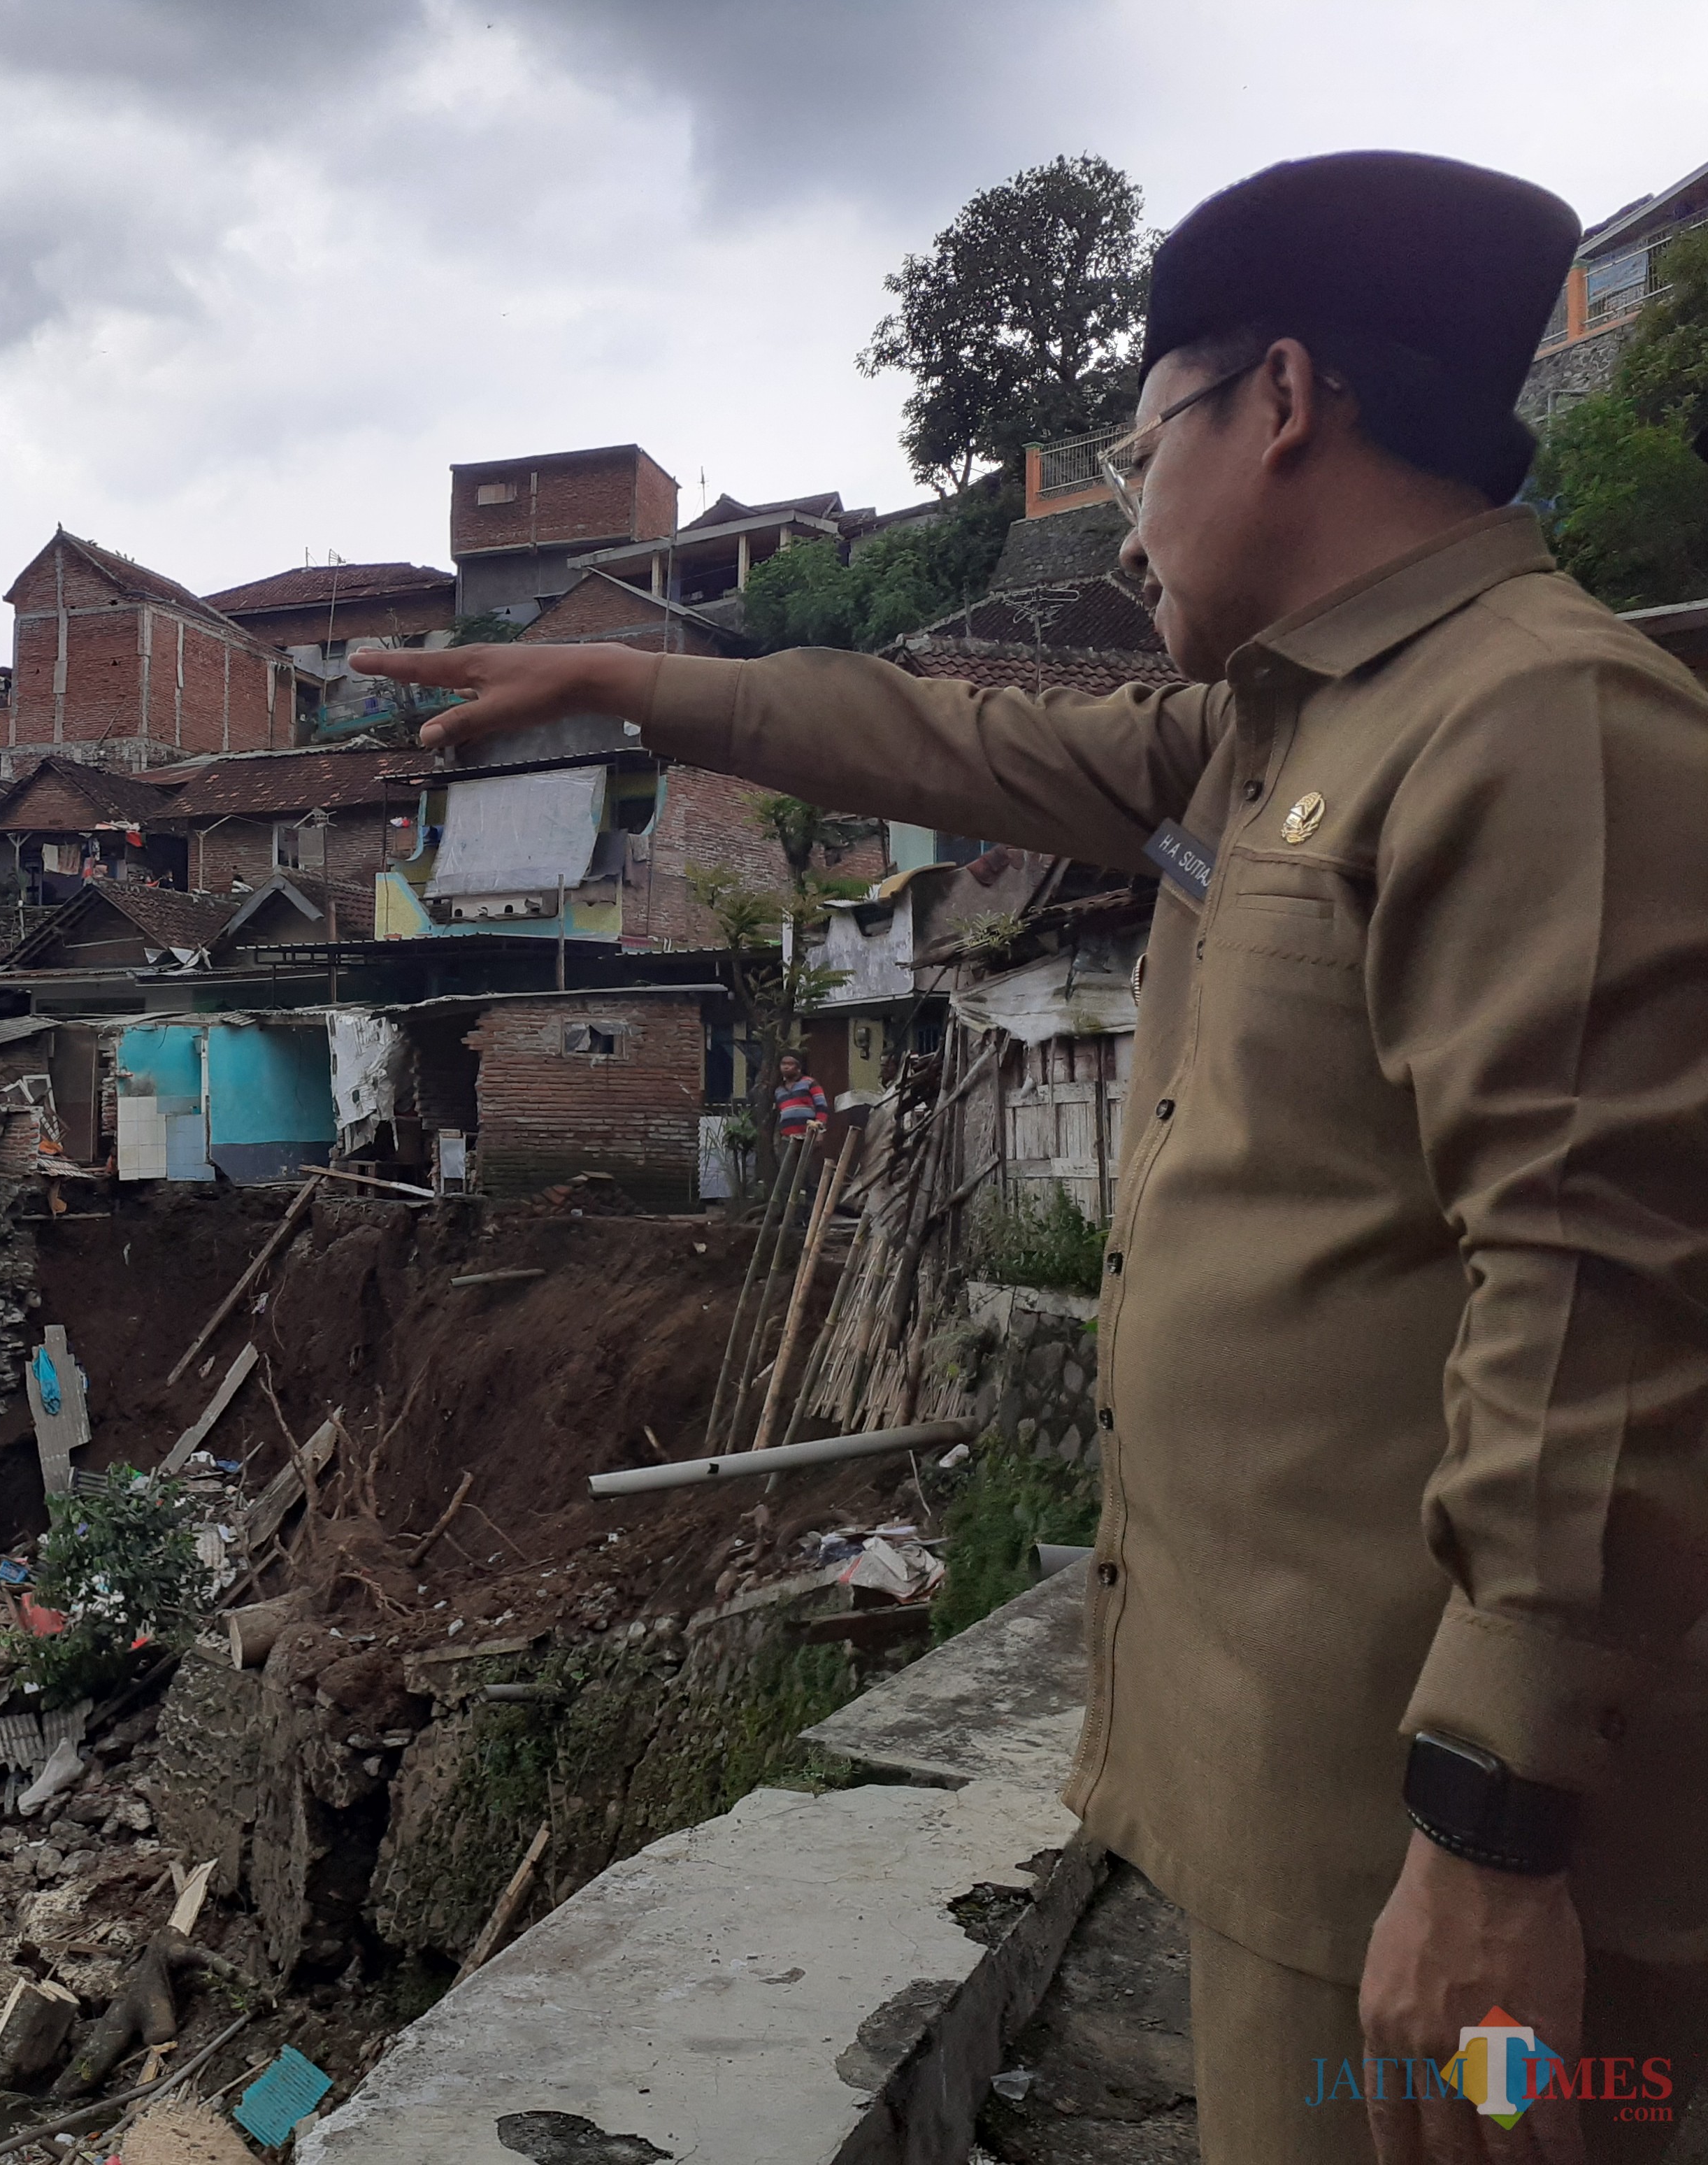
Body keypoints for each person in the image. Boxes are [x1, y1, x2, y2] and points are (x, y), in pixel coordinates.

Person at [355, 151, 1708, 2165]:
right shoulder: (1280, 739)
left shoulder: (1539, 732)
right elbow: (947, 741)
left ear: (1282, 401)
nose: (1132, 494)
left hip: (1457, 1873)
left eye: (1140, 434)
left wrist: (1496, 1836)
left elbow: (1600, 1298)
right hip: (1317, 1836)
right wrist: (633, 683)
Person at [772, 1051, 831, 1145]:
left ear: (799, 1068)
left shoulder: (810, 1083)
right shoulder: (779, 1091)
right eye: (783, 1064)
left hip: (809, 1137)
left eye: (790, 1064)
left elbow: (822, 1107)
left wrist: (820, 1131)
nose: (786, 1067)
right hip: (787, 1139)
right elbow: (780, 1115)